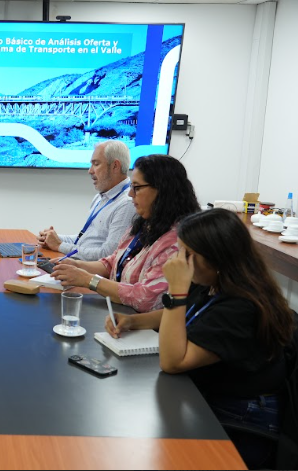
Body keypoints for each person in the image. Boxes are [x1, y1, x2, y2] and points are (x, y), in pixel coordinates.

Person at [105, 209, 296, 469]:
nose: (179, 261)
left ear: (217, 256)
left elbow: (173, 362)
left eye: (187, 254)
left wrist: (176, 290)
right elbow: (183, 315)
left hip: (239, 418)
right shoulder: (213, 281)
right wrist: (133, 321)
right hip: (207, 396)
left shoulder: (241, 307)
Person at [51, 154, 200, 312]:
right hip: (118, 311)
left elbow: (145, 298)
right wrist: (77, 265)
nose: (130, 194)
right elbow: (113, 262)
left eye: (137, 188)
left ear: (162, 189)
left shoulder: (175, 241)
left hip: (141, 322)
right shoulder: (144, 223)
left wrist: (88, 280)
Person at [38, 140, 136, 261]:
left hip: (88, 270)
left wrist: (59, 245)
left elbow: (108, 255)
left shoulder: (126, 203)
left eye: (96, 164)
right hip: (78, 264)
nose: (90, 171)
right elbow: (84, 240)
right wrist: (53, 238)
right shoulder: (101, 196)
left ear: (115, 166)